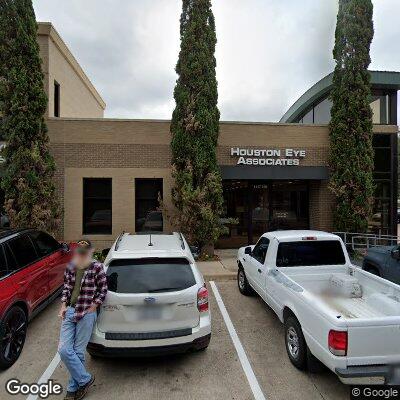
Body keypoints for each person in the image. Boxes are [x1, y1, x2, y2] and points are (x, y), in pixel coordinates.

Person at [58, 240, 108, 400]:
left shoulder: (97, 267)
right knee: (64, 350)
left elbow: (103, 289)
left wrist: (94, 306)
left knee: (78, 352)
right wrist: (63, 305)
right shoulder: (71, 266)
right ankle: (85, 379)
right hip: (70, 311)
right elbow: (66, 287)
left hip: (86, 313)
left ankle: (72, 389)